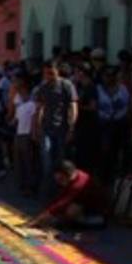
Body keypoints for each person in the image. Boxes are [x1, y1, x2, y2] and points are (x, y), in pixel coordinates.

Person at [33, 61, 78, 193]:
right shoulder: (44, 87)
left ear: (58, 71)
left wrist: (71, 127)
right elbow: (40, 108)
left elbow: (73, 107)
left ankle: (62, 189)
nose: (49, 76)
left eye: (51, 73)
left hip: (62, 128)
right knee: (46, 158)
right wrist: (36, 127)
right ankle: (48, 189)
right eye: (46, 73)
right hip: (46, 128)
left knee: (61, 159)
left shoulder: (67, 85)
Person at [29, 160, 109, 229]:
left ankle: (77, 224)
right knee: (65, 209)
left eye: (60, 179)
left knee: (71, 210)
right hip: (87, 209)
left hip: (97, 218)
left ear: (66, 175)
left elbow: (61, 204)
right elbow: (59, 198)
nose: (58, 182)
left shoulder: (78, 185)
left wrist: (39, 220)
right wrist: (43, 214)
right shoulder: (75, 174)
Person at [11, 75, 39, 194]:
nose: (20, 95)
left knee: (28, 161)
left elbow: (34, 120)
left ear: (26, 91)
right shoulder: (20, 106)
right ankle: (21, 184)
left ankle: (30, 186)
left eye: (21, 92)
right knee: (19, 161)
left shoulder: (32, 105)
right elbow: (15, 120)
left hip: (27, 135)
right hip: (19, 134)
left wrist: (33, 134)